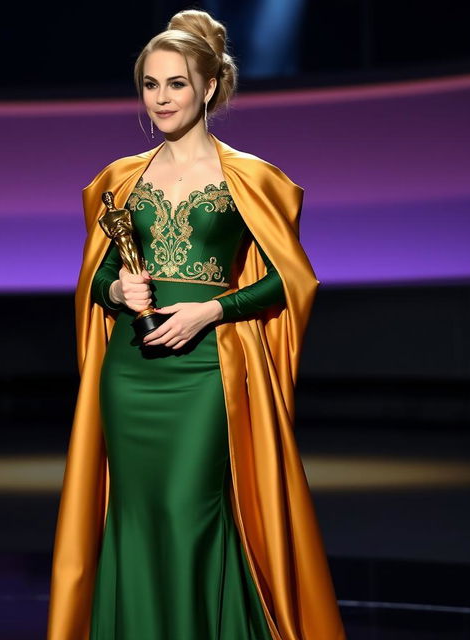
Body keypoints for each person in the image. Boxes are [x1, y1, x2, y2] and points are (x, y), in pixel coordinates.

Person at [47, 9, 346, 640]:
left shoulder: (253, 178)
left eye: (175, 84)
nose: (160, 99)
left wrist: (215, 308)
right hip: (132, 374)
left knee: (191, 513)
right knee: (136, 516)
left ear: (208, 87)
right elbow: (91, 281)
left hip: (208, 371)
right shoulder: (118, 181)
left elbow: (292, 281)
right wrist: (115, 289)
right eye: (150, 85)